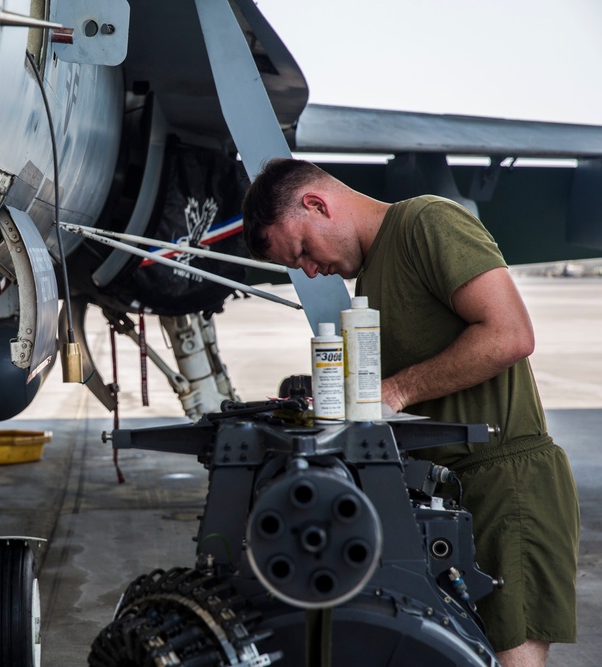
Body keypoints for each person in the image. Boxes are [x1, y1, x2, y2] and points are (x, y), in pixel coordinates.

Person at [240, 158, 579, 667]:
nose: (310, 270)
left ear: (316, 204)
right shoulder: (372, 276)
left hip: (505, 489)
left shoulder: (427, 222)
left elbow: (510, 334)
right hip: (448, 496)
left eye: (305, 251)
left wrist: (396, 390)